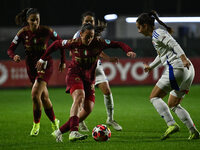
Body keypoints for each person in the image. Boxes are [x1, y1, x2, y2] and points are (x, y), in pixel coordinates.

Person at [36, 23, 136, 142]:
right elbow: (56, 44)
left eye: (91, 36)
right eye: (87, 36)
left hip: (89, 78)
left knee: (88, 109)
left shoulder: (99, 43)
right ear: (81, 34)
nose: (89, 39)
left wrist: (128, 51)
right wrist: (42, 58)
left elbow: (118, 44)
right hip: (74, 74)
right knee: (79, 96)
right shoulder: (74, 42)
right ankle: (74, 131)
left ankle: (59, 132)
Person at [136, 10, 200, 140]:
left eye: (139, 27)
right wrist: (151, 67)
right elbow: (162, 55)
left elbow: (174, 44)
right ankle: (194, 132)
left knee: (154, 97)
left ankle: (171, 124)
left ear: (145, 25)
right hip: (188, 70)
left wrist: (182, 58)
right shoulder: (156, 36)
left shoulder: (157, 33)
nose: (138, 31)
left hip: (177, 67)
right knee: (173, 104)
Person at [7, 8, 66, 136]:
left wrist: (63, 61)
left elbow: (60, 43)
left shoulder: (47, 31)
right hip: (31, 67)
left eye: (37, 19)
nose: (35, 22)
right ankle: (55, 121)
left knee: (35, 95)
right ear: (27, 20)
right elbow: (10, 50)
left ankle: (36, 124)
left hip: (45, 65)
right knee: (44, 97)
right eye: (32, 20)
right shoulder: (22, 33)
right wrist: (14, 56)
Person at [73, 11, 122, 131]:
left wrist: (108, 58)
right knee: (82, 97)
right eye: (87, 21)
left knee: (107, 90)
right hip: (83, 68)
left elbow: (99, 50)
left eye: (91, 21)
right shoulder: (78, 35)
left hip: (96, 66)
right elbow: (71, 51)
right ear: (82, 22)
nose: (89, 23)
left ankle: (110, 119)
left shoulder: (96, 35)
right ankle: (80, 121)